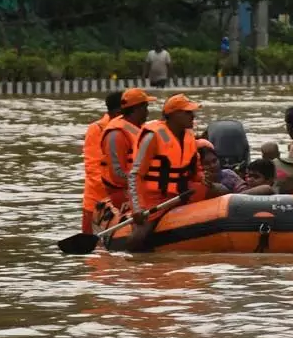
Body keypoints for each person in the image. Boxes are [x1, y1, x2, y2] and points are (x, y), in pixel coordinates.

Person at [128, 93, 206, 249]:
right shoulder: (153, 136)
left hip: (182, 193)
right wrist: (137, 208)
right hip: (154, 200)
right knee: (140, 237)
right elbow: (135, 175)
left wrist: (205, 180)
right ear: (174, 115)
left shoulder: (189, 137)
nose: (193, 116)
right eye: (188, 112)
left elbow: (196, 171)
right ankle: (132, 264)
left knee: (219, 191)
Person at [100, 88, 155, 209]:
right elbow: (117, 175)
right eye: (145, 108)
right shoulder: (116, 135)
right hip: (122, 192)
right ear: (137, 109)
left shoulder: (141, 129)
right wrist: (144, 182)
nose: (147, 112)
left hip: (141, 186)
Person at [81, 90, 124, 233]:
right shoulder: (97, 129)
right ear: (119, 111)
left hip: (123, 199)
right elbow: (93, 169)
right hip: (97, 202)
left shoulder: (132, 129)